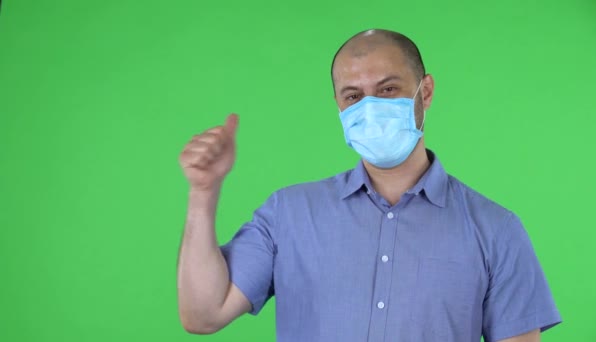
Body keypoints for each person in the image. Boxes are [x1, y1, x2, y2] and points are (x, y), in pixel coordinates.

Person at [176, 29, 561, 342]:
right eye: (354, 96)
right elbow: (203, 314)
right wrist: (204, 192)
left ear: (424, 92)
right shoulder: (288, 214)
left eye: (389, 89)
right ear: (339, 106)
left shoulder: (496, 230)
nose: (370, 107)